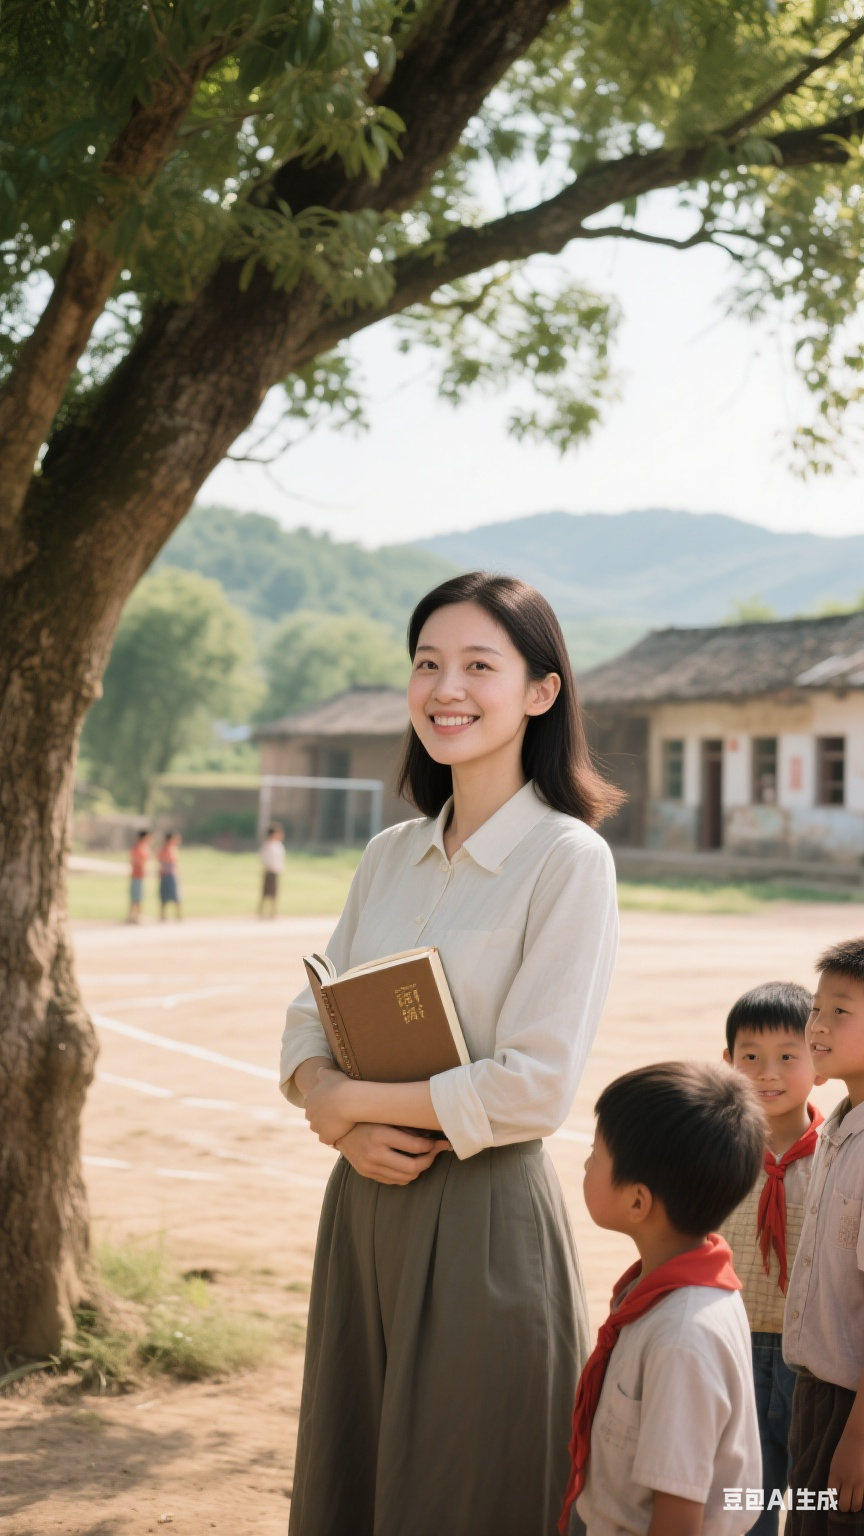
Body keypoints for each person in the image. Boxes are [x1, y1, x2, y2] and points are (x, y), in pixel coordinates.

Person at [280, 571, 622, 1536]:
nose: (446, 689)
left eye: (479, 665)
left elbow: (534, 1089)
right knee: (352, 1476)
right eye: (427, 664)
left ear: (542, 691)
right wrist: (334, 1112)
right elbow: (309, 1018)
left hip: (483, 1216)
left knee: (459, 1491)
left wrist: (350, 1103)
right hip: (361, 1206)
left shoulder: (567, 860)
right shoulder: (388, 855)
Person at [560, 1062, 765, 1536]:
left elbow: (677, 1514)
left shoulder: (682, 1338)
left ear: (638, 1202)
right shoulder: (678, 1287)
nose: (587, 1164)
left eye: (595, 1154)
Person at [719, 982, 823, 1536]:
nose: (767, 1073)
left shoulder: (837, 1157)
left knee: (813, 1497)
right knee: (744, 1498)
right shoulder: (717, 1157)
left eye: (787, 1056)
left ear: (819, 1061)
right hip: (733, 1347)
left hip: (811, 1358)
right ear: (727, 1062)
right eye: (751, 1057)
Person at [784, 938, 864, 1534]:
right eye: (816, 1008)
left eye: (840, 1011)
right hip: (816, 1396)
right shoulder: (838, 1126)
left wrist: (858, 1438)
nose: (818, 1024)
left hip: (851, 1411)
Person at [258, 822, 285, 918]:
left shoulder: (278, 845)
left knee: (274, 893)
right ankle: (261, 912)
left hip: (276, 871)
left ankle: (272, 912)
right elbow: (264, 858)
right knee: (265, 892)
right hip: (269, 871)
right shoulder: (267, 845)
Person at [158, 831, 182, 920]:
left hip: (171, 875)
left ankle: (178, 915)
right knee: (165, 896)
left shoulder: (171, 850)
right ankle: (163, 915)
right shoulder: (166, 850)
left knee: (175, 896)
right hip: (167, 875)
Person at [128, 828, 150, 924]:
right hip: (136, 875)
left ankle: (138, 915)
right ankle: (134, 916)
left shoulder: (143, 847)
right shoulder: (137, 848)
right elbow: (135, 861)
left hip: (140, 876)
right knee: (136, 897)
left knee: (140, 897)